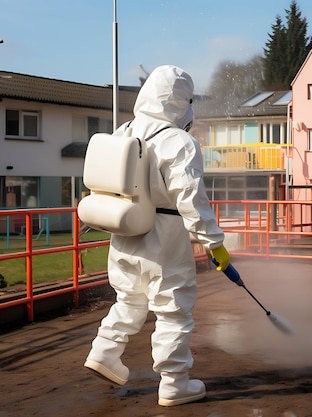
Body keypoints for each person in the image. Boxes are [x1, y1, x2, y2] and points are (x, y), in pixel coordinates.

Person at [83, 65, 230, 407]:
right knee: (173, 309)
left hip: (123, 230)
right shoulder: (179, 141)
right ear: (181, 101)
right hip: (164, 234)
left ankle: (104, 353)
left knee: (129, 299)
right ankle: (175, 382)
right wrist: (214, 243)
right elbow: (191, 198)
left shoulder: (123, 131)